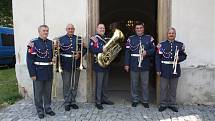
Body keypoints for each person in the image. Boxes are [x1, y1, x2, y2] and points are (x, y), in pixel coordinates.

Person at [26, 25, 55, 119]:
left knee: (48, 92)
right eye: (44, 31)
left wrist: (54, 59)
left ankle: (48, 108)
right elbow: (29, 60)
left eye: (47, 31)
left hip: (48, 71)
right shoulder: (33, 43)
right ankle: (40, 110)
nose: (46, 32)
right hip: (38, 71)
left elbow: (52, 56)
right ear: (39, 31)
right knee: (38, 93)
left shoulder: (51, 43)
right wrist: (32, 73)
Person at [124, 22, 155, 108]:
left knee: (145, 84)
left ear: (143, 29)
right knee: (134, 83)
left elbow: (154, 49)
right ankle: (135, 99)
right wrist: (126, 64)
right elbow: (127, 52)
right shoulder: (131, 39)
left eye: (140, 28)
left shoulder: (149, 38)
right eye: (137, 28)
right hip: (134, 64)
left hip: (145, 64)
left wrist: (147, 52)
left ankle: (145, 100)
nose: (139, 30)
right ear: (135, 29)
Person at [156, 27, 187, 112]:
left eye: (172, 33)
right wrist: (158, 69)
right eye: (169, 33)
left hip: (175, 69)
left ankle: (172, 104)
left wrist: (178, 59)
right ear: (167, 34)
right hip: (164, 69)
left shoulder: (180, 45)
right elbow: (158, 57)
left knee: (173, 89)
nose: (171, 34)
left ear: (175, 34)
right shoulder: (161, 45)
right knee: (163, 88)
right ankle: (163, 104)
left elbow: (184, 56)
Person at [57, 23, 87, 111]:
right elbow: (57, 51)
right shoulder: (60, 39)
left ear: (74, 29)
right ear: (66, 29)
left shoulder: (78, 38)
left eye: (72, 28)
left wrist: (80, 54)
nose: (70, 30)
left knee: (74, 83)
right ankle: (67, 102)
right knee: (66, 84)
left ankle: (73, 101)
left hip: (76, 64)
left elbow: (85, 48)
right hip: (65, 64)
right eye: (69, 28)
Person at [89, 23, 114, 110]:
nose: (102, 29)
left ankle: (104, 99)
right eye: (100, 28)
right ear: (97, 29)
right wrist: (101, 49)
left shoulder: (106, 39)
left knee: (105, 84)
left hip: (106, 64)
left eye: (103, 28)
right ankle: (98, 101)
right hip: (98, 65)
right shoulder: (94, 39)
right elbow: (91, 49)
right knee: (99, 84)